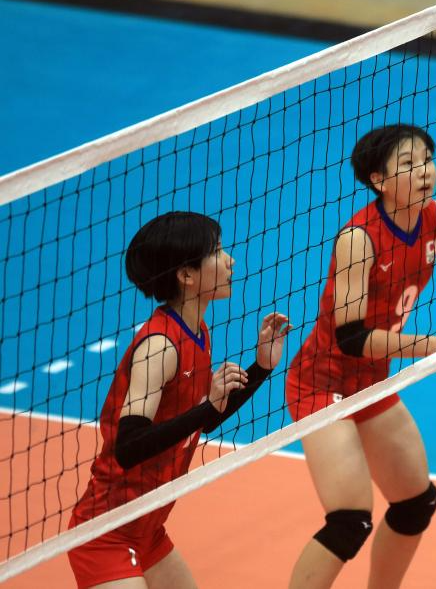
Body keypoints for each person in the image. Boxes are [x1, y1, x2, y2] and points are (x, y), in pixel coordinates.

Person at [286, 124, 436, 589]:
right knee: (349, 521)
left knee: (416, 503)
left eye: (428, 159)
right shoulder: (358, 239)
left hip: (371, 379)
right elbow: (352, 337)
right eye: (409, 164)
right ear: (378, 180)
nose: (425, 171)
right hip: (321, 383)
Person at [67, 211, 292, 589]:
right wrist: (206, 407)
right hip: (106, 533)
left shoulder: (197, 330)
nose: (230, 260)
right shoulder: (159, 346)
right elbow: (129, 446)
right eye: (217, 251)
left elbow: (199, 422)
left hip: (148, 528)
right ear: (186, 275)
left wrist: (261, 368)